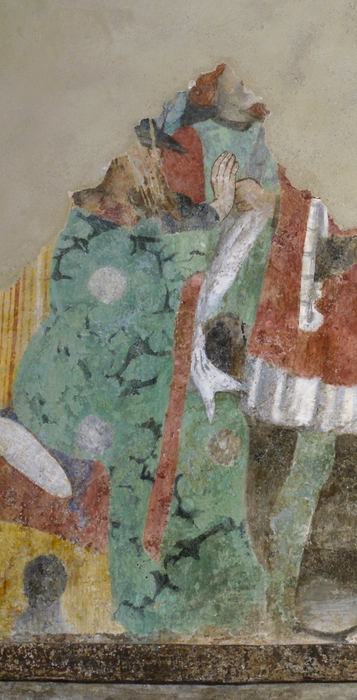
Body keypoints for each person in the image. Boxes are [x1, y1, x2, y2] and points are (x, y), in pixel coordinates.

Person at [12, 145, 266, 635]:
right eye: (143, 150)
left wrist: (226, 210)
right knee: (142, 465)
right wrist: (216, 213)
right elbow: (142, 287)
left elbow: (170, 256)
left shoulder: (142, 215)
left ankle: (214, 584)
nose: (154, 158)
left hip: (147, 388)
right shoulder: (88, 226)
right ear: (111, 159)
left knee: (208, 446)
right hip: (89, 391)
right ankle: (146, 604)